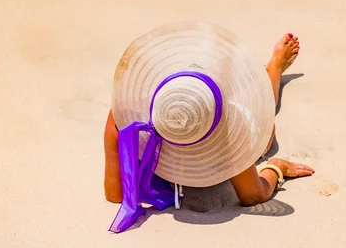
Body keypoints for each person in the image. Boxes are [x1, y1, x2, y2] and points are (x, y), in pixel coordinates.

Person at [104, 28, 314, 226]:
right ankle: (273, 67)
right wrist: (276, 167)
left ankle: (274, 67)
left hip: (227, 120)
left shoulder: (125, 115)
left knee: (263, 112)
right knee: (261, 112)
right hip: (221, 120)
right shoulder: (226, 130)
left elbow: (116, 194)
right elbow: (254, 195)